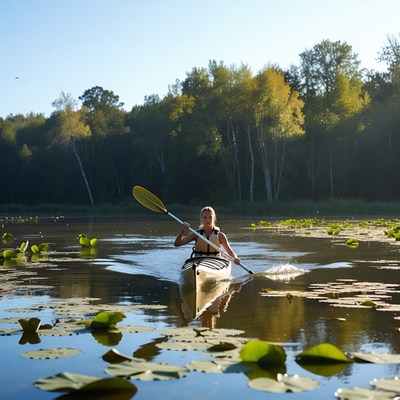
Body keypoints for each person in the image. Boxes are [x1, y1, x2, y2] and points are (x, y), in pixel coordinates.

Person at [174, 206, 241, 265]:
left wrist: (236, 258)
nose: (207, 219)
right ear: (201, 218)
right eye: (205, 217)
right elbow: (177, 243)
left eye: (210, 217)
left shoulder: (220, 235)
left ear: (214, 218)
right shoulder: (196, 234)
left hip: (216, 262)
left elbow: (230, 253)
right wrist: (183, 231)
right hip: (198, 262)